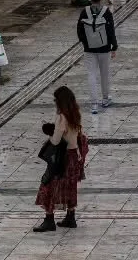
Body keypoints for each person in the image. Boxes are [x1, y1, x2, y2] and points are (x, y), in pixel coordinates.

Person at [33, 85, 87, 231]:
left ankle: (49, 219)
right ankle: (70, 217)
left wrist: (50, 132)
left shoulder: (62, 117)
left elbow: (56, 141)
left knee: (49, 186)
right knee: (70, 187)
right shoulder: (75, 113)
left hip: (62, 158)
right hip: (74, 156)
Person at [76, 0, 118, 114]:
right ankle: (105, 99)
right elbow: (111, 30)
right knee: (104, 74)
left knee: (91, 75)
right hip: (104, 48)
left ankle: (94, 104)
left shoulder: (85, 11)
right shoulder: (106, 12)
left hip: (89, 49)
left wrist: (85, 42)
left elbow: (79, 30)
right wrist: (114, 46)